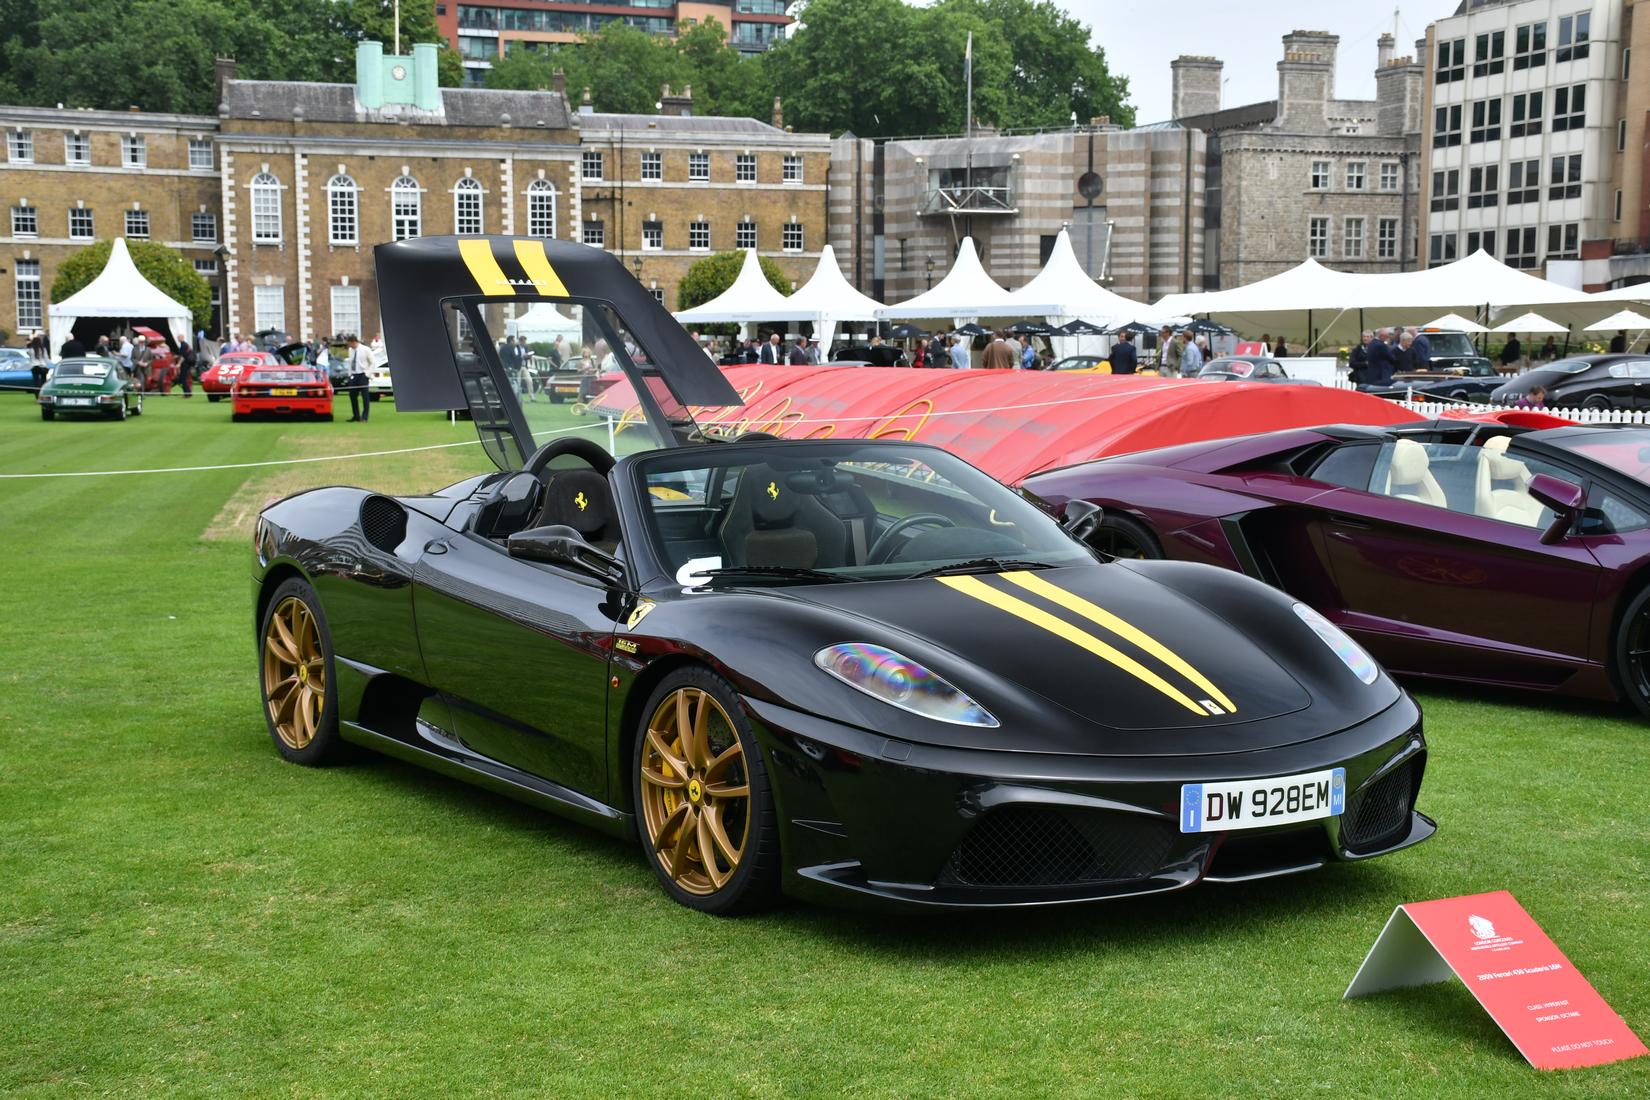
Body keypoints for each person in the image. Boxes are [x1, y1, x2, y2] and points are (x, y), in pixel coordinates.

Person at [343, 334, 371, 422]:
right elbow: (350, 363)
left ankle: (365, 417)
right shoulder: (351, 350)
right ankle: (356, 416)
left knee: (365, 397)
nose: (349, 345)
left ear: (354, 342)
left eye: (349, 343)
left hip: (363, 375)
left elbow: (373, 362)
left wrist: (367, 374)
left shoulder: (365, 349)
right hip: (354, 376)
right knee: (352, 396)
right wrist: (349, 374)